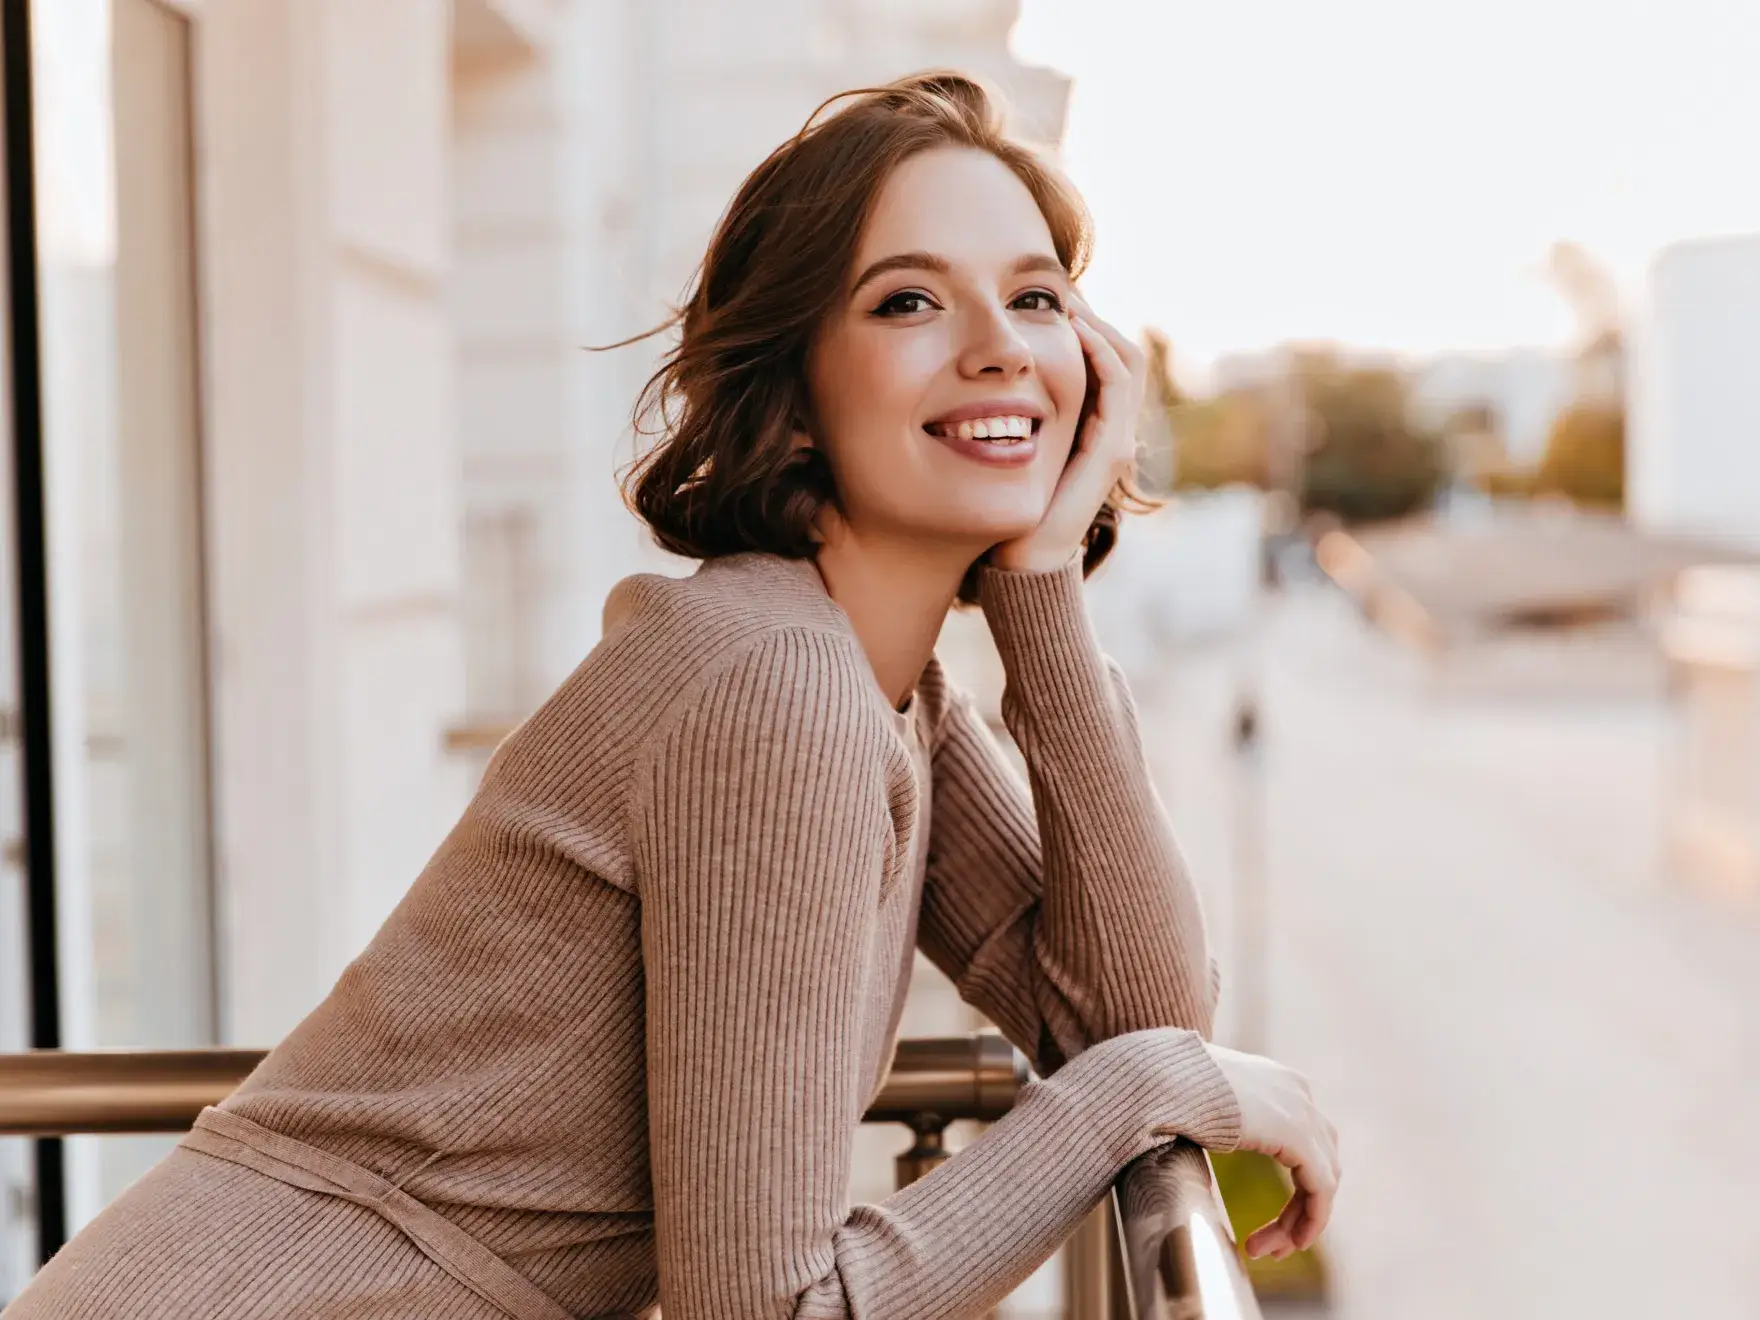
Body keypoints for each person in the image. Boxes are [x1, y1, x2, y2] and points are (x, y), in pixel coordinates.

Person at [4, 71, 1338, 1320]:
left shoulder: (875, 684)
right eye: (908, 303)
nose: (998, 349)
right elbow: (773, 1307)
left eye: (1037, 299)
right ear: (798, 395)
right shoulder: (776, 691)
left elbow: (1135, 1008)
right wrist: (1138, 1094)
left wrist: (1045, 585)